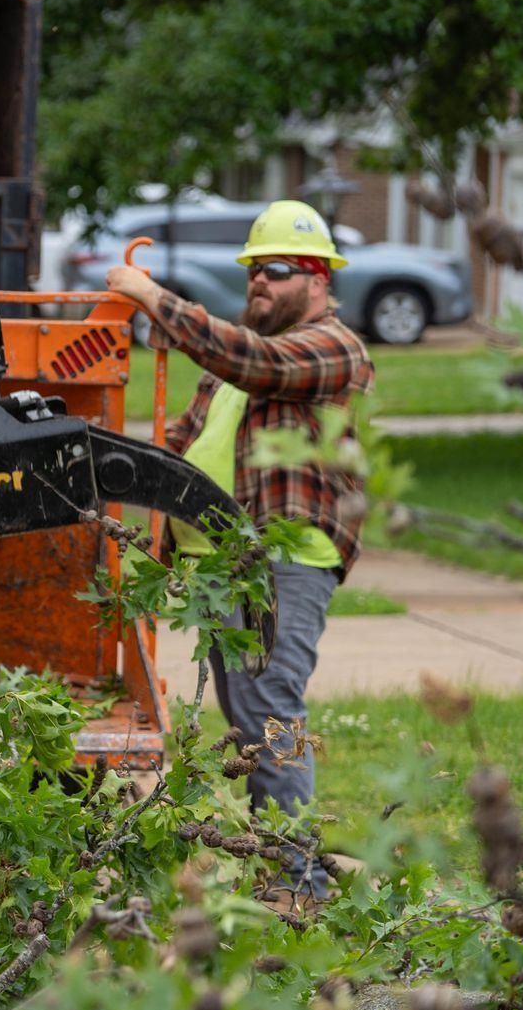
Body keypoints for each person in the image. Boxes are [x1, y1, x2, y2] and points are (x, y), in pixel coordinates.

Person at [105, 199, 374, 905]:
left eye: (277, 269)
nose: (260, 281)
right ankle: (279, 866)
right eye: (254, 269)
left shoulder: (331, 346)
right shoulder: (229, 367)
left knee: (275, 709)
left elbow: (253, 359)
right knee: (251, 716)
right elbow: (183, 449)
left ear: (318, 281)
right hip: (227, 566)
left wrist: (155, 300)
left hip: (288, 555)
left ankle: (300, 881)